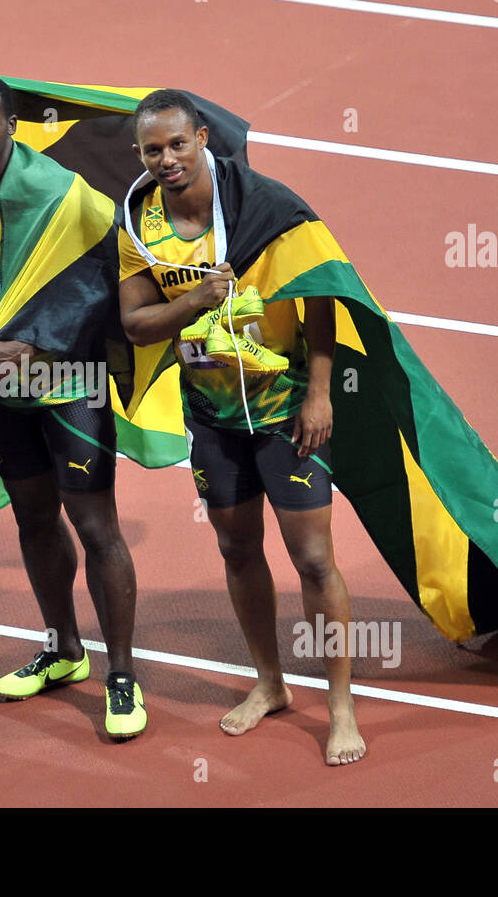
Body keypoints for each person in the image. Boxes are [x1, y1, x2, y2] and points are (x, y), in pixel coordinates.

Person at [117, 91, 366, 764]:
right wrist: (197, 299)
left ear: (202, 139)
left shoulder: (266, 208)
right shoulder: (140, 225)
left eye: (176, 144)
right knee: (236, 550)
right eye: (151, 150)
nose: (165, 159)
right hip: (213, 415)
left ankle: (340, 707)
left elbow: (320, 296)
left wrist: (320, 394)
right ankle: (271, 683)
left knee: (314, 559)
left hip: (286, 411)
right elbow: (135, 322)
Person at [0, 74, 146, 739]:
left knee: (95, 526)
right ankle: (63, 650)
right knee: (32, 520)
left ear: (11, 126)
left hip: (71, 385)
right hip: (3, 394)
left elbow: (112, 271)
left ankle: (122, 676)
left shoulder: (59, 193)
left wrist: (35, 342)